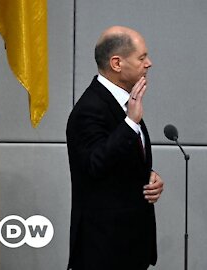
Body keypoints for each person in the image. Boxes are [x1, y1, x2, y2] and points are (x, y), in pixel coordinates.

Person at [66, 26, 164, 270]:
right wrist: (131, 123)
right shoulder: (90, 109)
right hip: (103, 252)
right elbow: (94, 165)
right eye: (142, 58)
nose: (149, 63)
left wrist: (148, 177)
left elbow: (119, 161)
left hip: (130, 248)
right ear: (117, 63)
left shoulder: (124, 103)